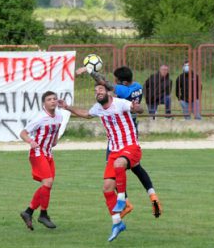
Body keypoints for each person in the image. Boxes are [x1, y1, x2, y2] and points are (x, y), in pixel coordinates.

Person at [58, 82, 154, 242]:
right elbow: (86, 114)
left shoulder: (120, 103)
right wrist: (67, 107)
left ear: (109, 92)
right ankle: (117, 223)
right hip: (115, 151)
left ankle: (122, 199)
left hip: (131, 146)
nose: (98, 92)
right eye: (95, 91)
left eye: (100, 90)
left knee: (119, 165)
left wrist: (137, 108)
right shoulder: (97, 108)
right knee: (107, 188)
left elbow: (138, 109)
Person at [75, 66, 162, 219]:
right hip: (130, 129)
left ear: (122, 81)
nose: (113, 82)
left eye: (115, 80)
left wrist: (90, 71)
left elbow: (104, 83)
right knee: (137, 168)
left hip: (120, 130)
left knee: (115, 168)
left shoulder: (122, 92)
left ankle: (125, 201)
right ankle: (153, 197)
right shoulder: (137, 87)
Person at [19, 91, 63, 231]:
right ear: (44, 103)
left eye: (54, 99)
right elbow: (23, 133)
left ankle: (29, 212)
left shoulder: (59, 116)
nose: (53, 101)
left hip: (48, 154)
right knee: (48, 182)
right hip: (37, 153)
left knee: (47, 185)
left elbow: (56, 129)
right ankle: (43, 214)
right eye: (49, 99)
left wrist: (54, 139)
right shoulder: (39, 118)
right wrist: (31, 141)